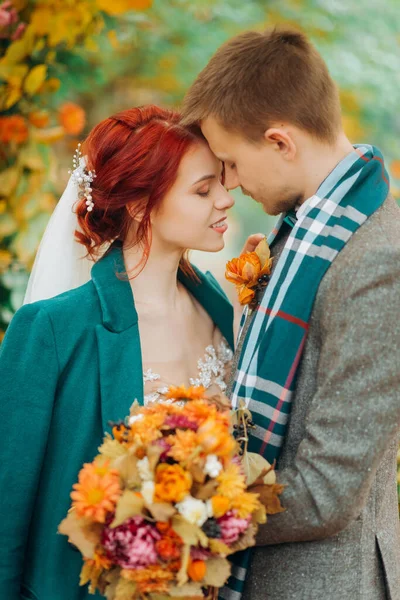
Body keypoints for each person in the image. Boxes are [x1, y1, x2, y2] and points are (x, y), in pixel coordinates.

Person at [182, 27, 400, 600]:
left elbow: (329, 491)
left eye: (230, 162)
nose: (230, 183)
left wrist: (181, 516)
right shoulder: (305, 232)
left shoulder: (377, 263)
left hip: (322, 583)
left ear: (280, 142)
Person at [0, 105, 235, 600]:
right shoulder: (52, 330)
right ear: (140, 205)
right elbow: (6, 505)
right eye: (203, 189)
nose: (225, 199)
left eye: (221, 182)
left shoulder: (225, 310)